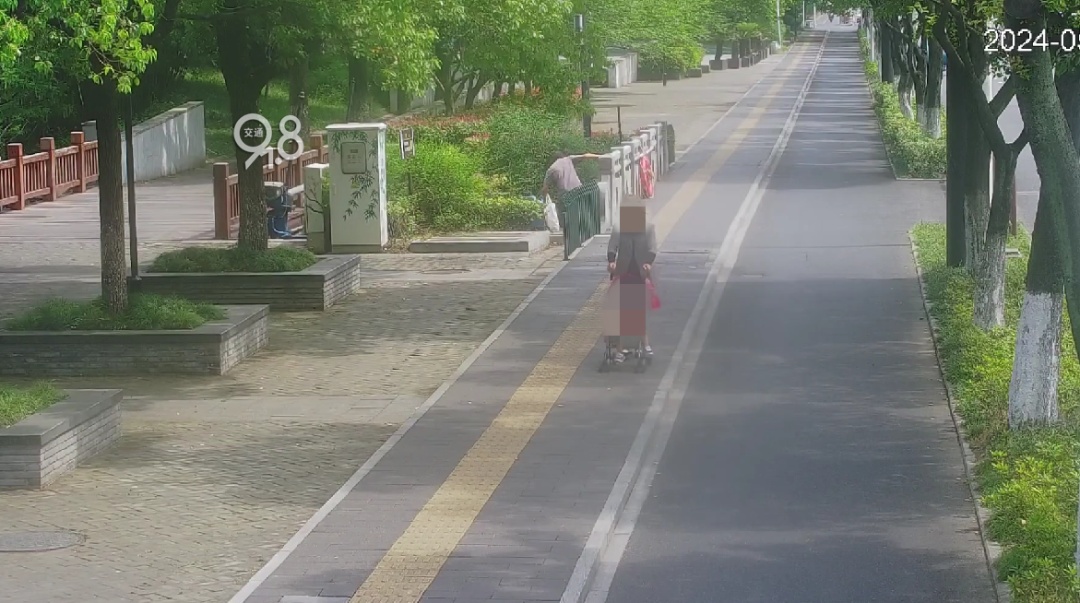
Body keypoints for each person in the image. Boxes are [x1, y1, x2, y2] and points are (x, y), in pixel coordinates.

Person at [606, 201, 657, 362]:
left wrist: (648, 263)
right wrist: (612, 261)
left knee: (637, 311)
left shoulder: (648, 228)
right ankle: (620, 348)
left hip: (640, 273)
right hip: (622, 273)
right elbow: (612, 247)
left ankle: (644, 344)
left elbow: (652, 249)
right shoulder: (619, 227)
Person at [540, 150, 601, 216]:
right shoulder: (568, 159)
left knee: (562, 213)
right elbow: (585, 156)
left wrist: (544, 201)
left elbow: (545, 189)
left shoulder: (551, 169)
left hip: (566, 195)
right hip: (579, 190)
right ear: (562, 157)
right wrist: (602, 157)